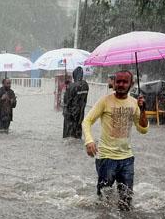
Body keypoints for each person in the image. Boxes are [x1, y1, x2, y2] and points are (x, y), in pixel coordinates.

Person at [82, 70, 148, 211]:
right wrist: (89, 141)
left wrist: (143, 110)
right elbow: (87, 121)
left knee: (126, 202)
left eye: (125, 82)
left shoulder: (134, 103)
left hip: (127, 159)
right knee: (103, 201)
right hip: (106, 158)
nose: (121, 84)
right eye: (118, 81)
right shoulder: (105, 101)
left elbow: (143, 129)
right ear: (114, 83)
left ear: (131, 84)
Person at [62, 66, 89, 138]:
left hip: (71, 115)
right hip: (80, 114)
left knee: (69, 136)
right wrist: (70, 85)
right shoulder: (85, 85)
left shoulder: (71, 86)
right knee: (77, 133)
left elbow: (66, 101)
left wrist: (67, 88)